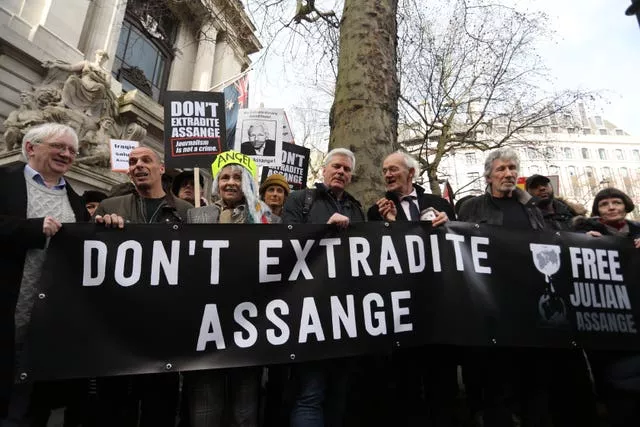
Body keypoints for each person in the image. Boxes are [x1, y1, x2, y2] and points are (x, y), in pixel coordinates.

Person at [458, 148, 597, 427]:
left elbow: (549, 243)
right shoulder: (472, 207)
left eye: (512, 168)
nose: (508, 174)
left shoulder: (531, 207)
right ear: (488, 175)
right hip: (494, 305)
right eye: (501, 169)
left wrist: (583, 239)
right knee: (498, 382)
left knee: (535, 380)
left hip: (532, 305)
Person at [0, 123, 123, 425]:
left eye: (72, 151)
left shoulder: (75, 200)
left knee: (31, 410)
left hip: (46, 327)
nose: (67, 154)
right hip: (7, 314)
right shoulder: (5, 180)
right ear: (31, 147)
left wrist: (102, 227)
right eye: (60, 147)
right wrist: (31, 228)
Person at [92, 146, 191, 427]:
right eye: (132, 161)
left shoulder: (186, 212)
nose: (137, 165)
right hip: (118, 332)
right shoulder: (110, 207)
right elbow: (90, 260)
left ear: (161, 169)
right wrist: (101, 229)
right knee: (114, 409)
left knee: (158, 409)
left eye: (146, 160)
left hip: (164, 333)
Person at [366, 151, 456, 426]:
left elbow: (457, 244)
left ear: (411, 173)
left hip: (440, 307)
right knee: (407, 385)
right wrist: (391, 224)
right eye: (384, 171)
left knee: (443, 384)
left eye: (393, 169)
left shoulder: (439, 203)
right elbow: (381, 257)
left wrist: (448, 224)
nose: (388, 175)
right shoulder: (376, 210)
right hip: (402, 310)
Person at [184, 151, 274, 427]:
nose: (231, 182)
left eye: (238, 177)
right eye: (225, 177)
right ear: (216, 183)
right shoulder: (196, 215)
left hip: (248, 322)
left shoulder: (266, 217)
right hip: (207, 324)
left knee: (244, 404)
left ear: (247, 181)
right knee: (206, 404)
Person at [283, 148, 365, 427]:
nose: (341, 172)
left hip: (347, 314)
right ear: (324, 170)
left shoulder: (356, 207)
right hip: (311, 310)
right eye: (336, 167)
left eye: (346, 169)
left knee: (339, 393)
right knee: (311, 393)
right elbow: (286, 242)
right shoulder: (300, 199)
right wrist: (325, 230)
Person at [573, 188, 640, 427]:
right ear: (597, 210)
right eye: (604, 204)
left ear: (626, 205)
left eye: (616, 202)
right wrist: (583, 242)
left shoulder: (637, 231)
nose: (611, 207)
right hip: (608, 321)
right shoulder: (585, 233)